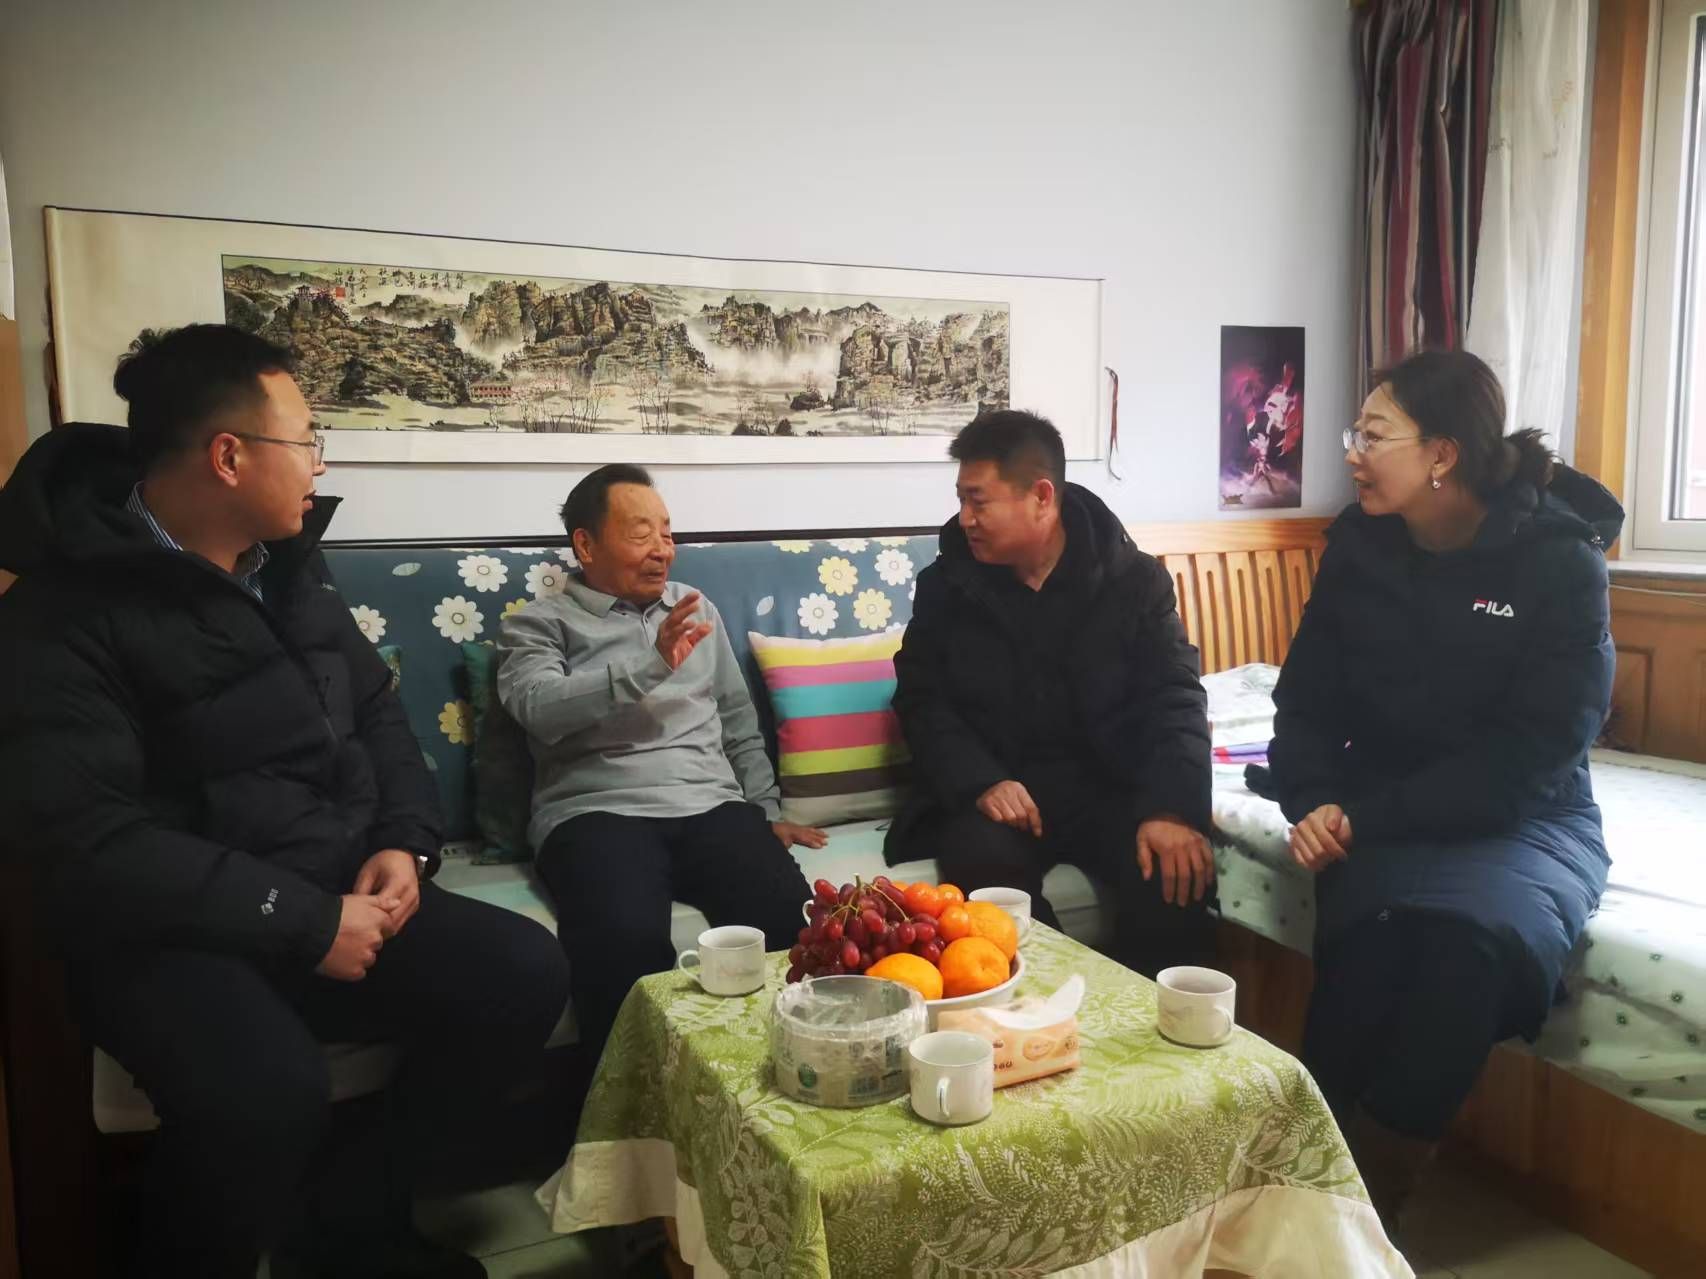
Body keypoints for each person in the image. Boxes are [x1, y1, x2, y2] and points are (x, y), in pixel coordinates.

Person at [0, 325, 571, 1279]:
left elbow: (377, 710)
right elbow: (89, 840)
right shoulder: (62, 611)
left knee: (522, 971)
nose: (319, 463)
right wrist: (305, 920)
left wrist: (405, 842)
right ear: (229, 456)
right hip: (167, 929)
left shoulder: (290, 566)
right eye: (306, 440)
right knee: (264, 1089)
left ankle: (353, 1226)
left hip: (327, 880)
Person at [1262, 349, 1620, 1236]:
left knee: (1468, 949)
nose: (1353, 453)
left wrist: (1365, 814)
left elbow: (1535, 754)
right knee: (1369, 944)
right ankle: (1298, 1193)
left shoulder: (1559, 560)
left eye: (1373, 435)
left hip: (1526, 816)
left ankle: (1363, 1216)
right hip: (1380, 803)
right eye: (1356, 434)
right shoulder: (1361, 547)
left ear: (1443, 454)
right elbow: (1305, 701)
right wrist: (1314, 797)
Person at [496, 465, 824, 1051]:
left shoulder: (694, 608)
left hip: (711, 806)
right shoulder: (538, 624)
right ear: (586, 545)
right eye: (641, 533)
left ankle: (797, 1072)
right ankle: (625, 1103)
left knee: (793, 923)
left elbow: (736, 716)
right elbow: (538, 707)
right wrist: (651, 665)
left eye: (667, 533)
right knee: (622, 945)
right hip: (596, 814)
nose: (662, 550)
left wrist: (765, 808)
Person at [884, 409, 1216, 976]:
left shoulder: (1133, 581)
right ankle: (1055, 1002)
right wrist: (981, 781)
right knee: (985, 878)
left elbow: (1175, 695)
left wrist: (1171, 808)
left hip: (1107, 788)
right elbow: (921, 699)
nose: (965, 519)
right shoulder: (948, 587)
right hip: (1001, 796)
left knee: (1175, 872)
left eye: (978, 501)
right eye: (961, 500)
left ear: (1041, 497)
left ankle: (1141, 1021)